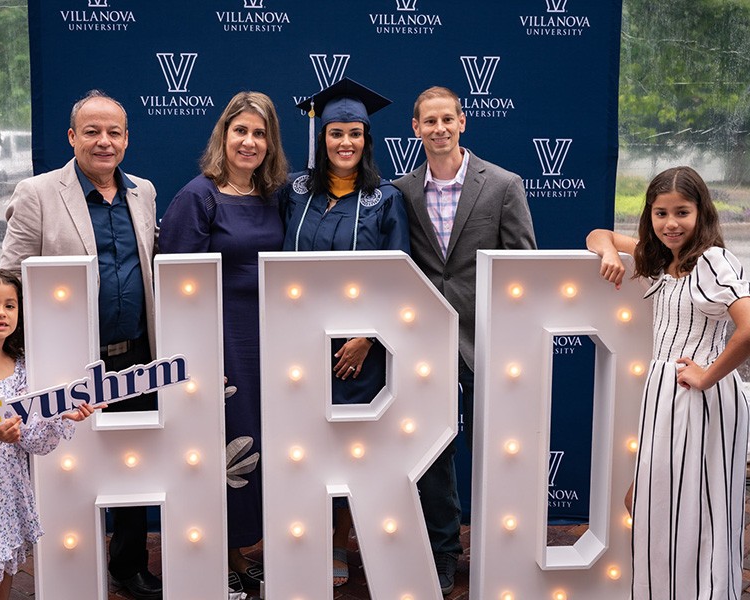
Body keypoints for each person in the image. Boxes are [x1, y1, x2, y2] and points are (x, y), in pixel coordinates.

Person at [0, 90, 163, 600]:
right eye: (91, 131)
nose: (104, 141)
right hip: (69, 362)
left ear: (127, 138)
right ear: (72, 137)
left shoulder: (145, 193)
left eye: (114, 132)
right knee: (70, 468)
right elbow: (10, 277)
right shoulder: (38, 193)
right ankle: (72, 567)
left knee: (132, 458)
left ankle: (128, 562)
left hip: (136, 356)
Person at [393, 85, 536, 595]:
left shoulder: (502, 185)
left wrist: (516, 339)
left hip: (488, 342)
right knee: (431, 456)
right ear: (415, 128)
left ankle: (505, 550)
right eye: (428, 121)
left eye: (446, 119)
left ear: (463, 121)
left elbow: (522, 268)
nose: (438, 129)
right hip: (424, 345)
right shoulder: (401, 191)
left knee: (497, 450)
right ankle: (443, 551)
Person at [587, 166, 750, 599]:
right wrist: (606, 253)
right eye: (660, 213)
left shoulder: (712, 261)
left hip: (696, 395)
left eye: (682, 212)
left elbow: (749, 328)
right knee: (655, 504)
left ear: (702, 213)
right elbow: (598, 233)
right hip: (665, 395)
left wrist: (707, 374)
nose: (670, 223)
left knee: (697, 510)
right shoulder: (661, 257)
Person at [158, 91, 287, 600]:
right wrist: (196, 353)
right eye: (241, 131)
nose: (250, 142)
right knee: (224, 449)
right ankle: (220, 556)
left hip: (270, 343)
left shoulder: (275, 195)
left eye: (259, 133)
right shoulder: (199, 196)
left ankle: (242, 552)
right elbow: (175, 283)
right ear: (224, 136)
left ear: (270, 142)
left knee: (263, 445)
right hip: (222, 343)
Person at [282, 77, 410, 587]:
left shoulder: (385, 200)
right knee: (303, 446)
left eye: (355, 134)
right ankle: (303, 537)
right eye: (336, 133)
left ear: (366, 140)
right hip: (298, 344)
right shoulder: (293, 192)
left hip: (357, 351)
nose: (345, 143)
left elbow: (398, 273)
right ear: (322, 137)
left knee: (351, 448)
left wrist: (368, 337)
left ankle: (340, 539)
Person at [0, 269, 97, 600]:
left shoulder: (20, 368)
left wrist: (62, 415)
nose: (1, 313)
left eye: (10, 305)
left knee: (3, 575)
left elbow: (33, 439)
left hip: (6, 489)